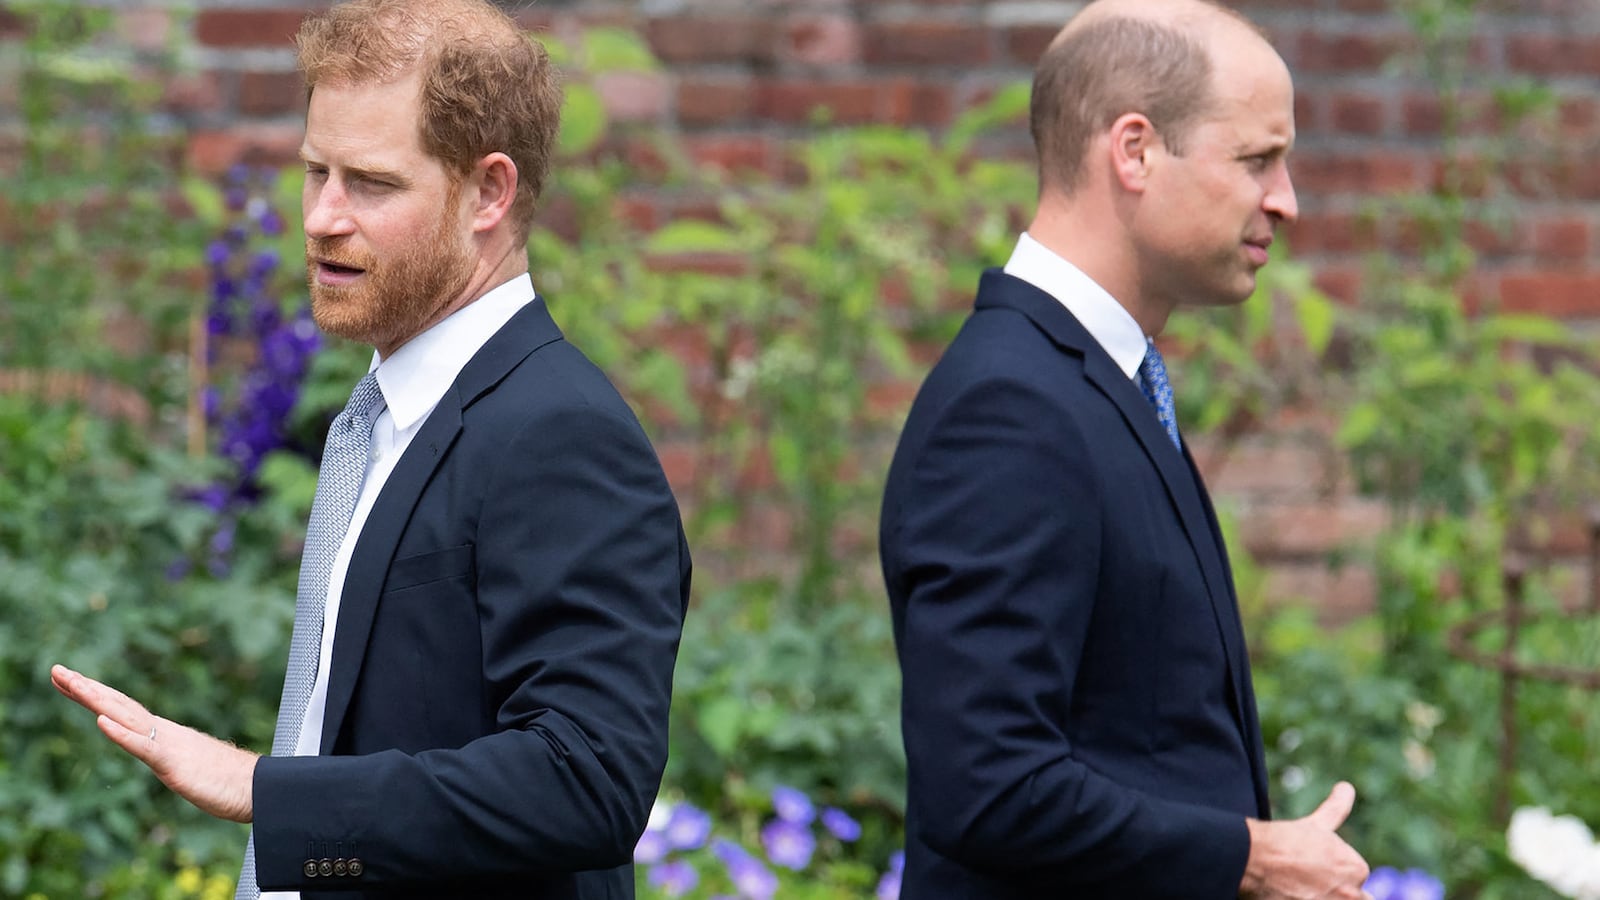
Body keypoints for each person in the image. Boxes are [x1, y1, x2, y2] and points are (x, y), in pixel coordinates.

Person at [52, 1, 691, 897]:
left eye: (373, 183)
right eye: (316, 171)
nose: (321, 217)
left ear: (490, 193)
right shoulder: (387, 414)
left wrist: (260, 788)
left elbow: (588, 780)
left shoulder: (559, 433)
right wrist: (307, 836)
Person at [878, 0, 1374, 897]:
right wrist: (1251, 858)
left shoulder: (1089, 384)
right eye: (1257, 159)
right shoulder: (1012, 408)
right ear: (1134, 150)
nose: (1287, 201)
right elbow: (987, 786)